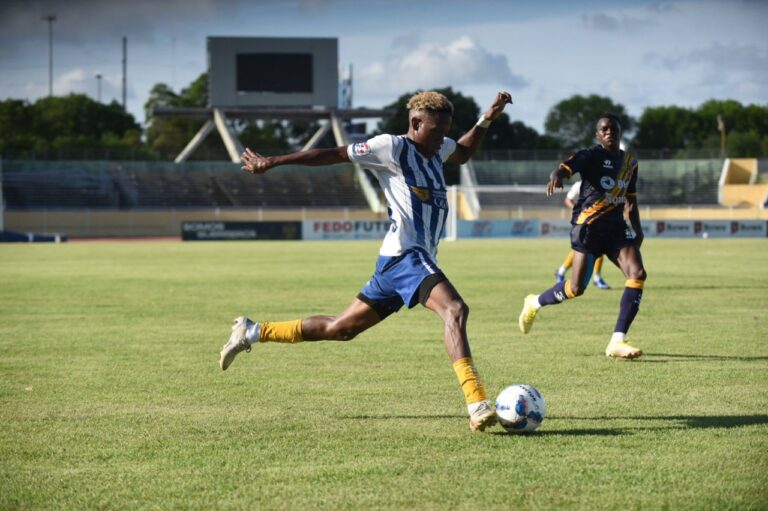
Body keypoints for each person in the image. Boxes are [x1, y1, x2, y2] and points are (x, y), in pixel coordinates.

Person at [220, 91, 514, 431]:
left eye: (444, 131)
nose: (440, 140)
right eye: (435, 131)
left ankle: (254, 331)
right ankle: (477, 403)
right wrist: (274, 161)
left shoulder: (437, 149)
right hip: (407, 254)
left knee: (340, 329)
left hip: (397, 263)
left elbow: (462, 153)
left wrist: (487, 118)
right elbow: (333, 154)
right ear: (415, 123)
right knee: (455, 310)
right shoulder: (391, 147)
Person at [518, 113, 646, 359]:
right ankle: (534, 302)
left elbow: (631, 201)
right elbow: (567, 167)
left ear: (620, 133)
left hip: (616, 230)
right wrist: (557, 175)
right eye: (604, 129)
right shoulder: (591, 155)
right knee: (576, 288)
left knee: (637, 274)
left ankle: (617, 341)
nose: (609, 132)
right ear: (598, 134)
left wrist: (638, 229)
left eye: (613, 129)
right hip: (588, 227)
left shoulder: (630, 162)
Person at [554, 180, 610, 290]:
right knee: (580, 249)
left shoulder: (601, 182)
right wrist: (577, 209)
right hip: (582, 221)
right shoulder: (579, 184)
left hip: (597, 220)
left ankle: (596, 277)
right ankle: (562, 271)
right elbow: (568, 200)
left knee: (598, 248)